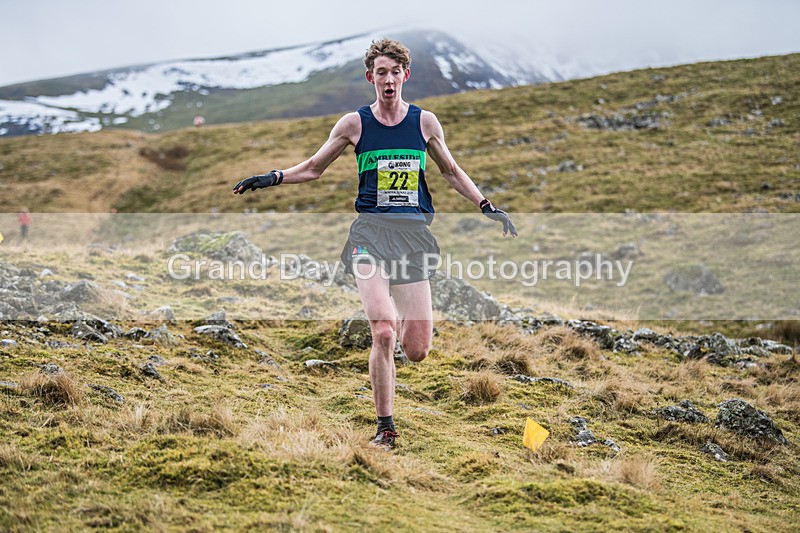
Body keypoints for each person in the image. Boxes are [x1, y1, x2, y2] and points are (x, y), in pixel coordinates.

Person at [233, 38, 517, 449]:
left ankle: (393, 351)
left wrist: (487, 205)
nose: (387, 80)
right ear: (371, 77)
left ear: (405, 75)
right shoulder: (355, 124)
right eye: (380, 73)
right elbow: (313, 169)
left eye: (394, 72)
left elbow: (452, 172)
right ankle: (386, 427)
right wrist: (273, 176)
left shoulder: (425, 123)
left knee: (416, 348)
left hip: (413, 238)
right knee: (384, 330)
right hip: (369, 236)